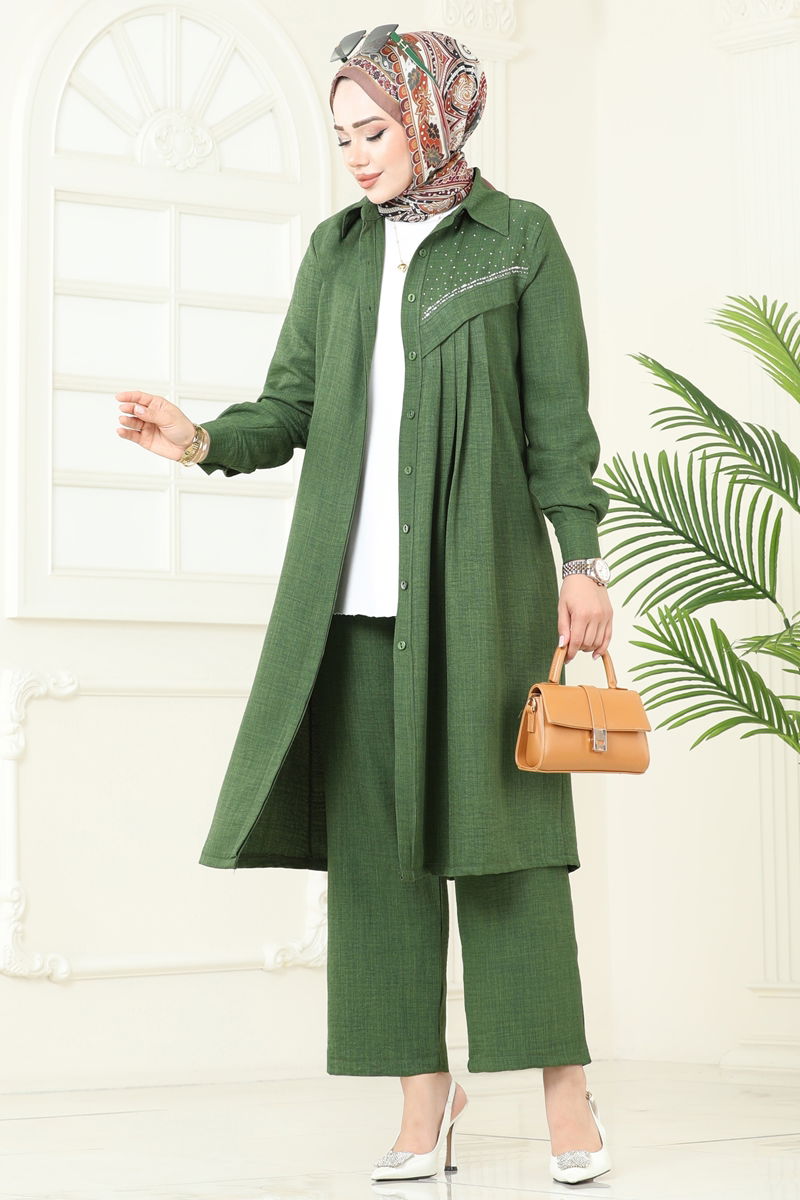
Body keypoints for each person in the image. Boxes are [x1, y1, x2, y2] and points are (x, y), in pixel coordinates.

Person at [115, 25, 613, 1187]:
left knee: (508, 847)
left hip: (484, 595)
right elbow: (288, 406)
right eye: (340, 135)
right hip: (348, 606)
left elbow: (557, 421)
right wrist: (200, 439)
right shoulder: (334, 253)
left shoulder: (516, 240)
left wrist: (582, 561)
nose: (355, 154)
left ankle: (565, 1097)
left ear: (433, 116)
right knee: (379, 864)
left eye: (373, 129)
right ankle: (420, 1104)